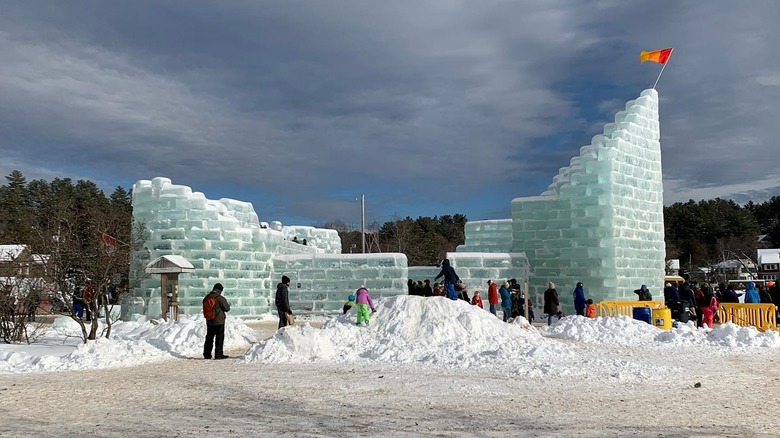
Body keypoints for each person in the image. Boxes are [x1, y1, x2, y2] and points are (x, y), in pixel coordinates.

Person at [203, 283, 231, 360]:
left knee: (209, 337)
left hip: (209, 320)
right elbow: (227, 308)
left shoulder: (206, 297)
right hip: (219, 321)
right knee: (219, 338)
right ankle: (218, 355)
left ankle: (207, 354)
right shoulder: (220, 298)